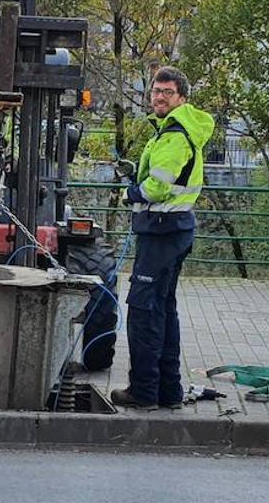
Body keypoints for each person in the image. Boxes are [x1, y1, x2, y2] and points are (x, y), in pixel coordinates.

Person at [110, 66, 213, 411]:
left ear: (181, 98)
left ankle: (144, 391)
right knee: (164, 309)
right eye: (155, 91)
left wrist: (131, 193)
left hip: (162, 231)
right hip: (172, 231)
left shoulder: (174, 135)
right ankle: (168, 391)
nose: (159, 97)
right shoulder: (174, 132)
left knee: (143, 310)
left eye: (167, 92)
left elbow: (157, 186)